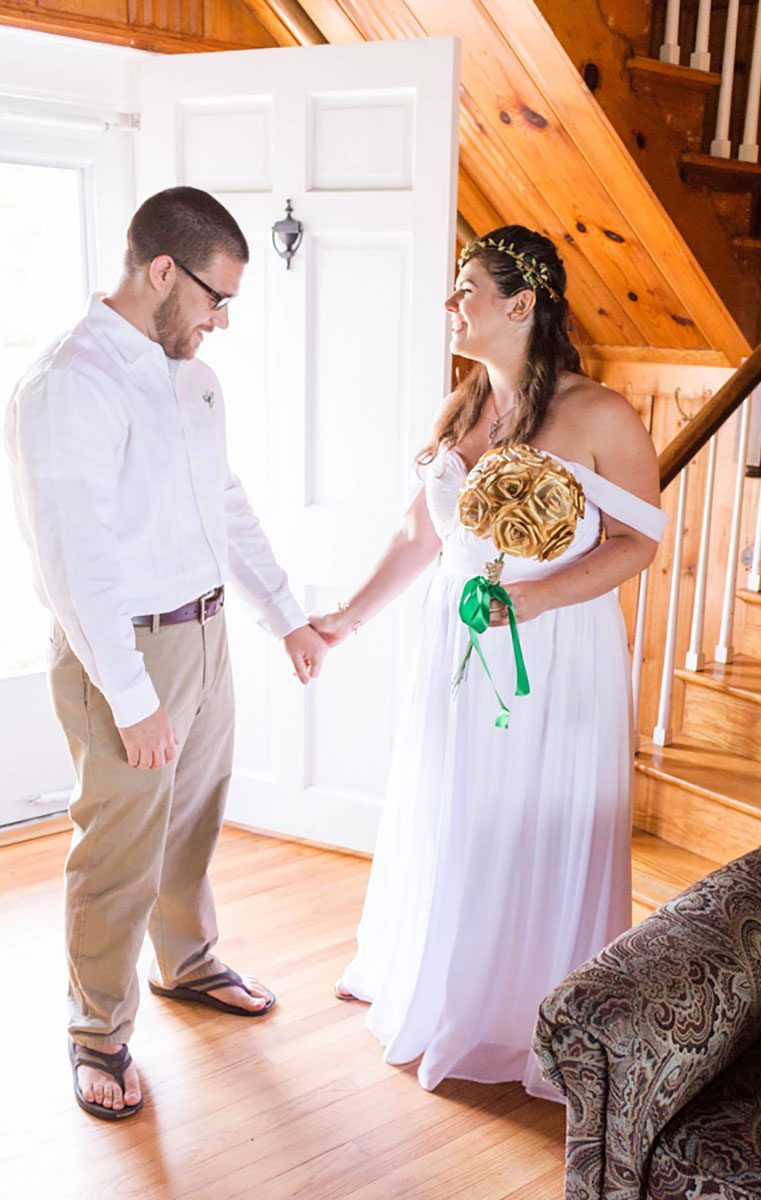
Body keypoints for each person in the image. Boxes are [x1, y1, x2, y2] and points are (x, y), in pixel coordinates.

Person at [310, 226, 668, 1099]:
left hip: (550, 648)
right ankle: (438, 977)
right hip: (455, 638)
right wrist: (347, 619)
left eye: (466, 287)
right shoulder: (464, 406)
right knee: (454, 803)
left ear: (521, 303)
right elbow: (421, 531)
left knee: (525, 815)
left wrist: (536, 600)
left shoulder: (599, 414)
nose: (450, 302)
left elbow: (639, 542)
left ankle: (521, 1011)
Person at [4, 187, 326, 1120]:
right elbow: (74, 560)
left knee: (190, 824)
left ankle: (185, 963)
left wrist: (285, 615)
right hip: (126, 651)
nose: (220, 321)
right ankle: (97, 1031)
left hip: (207, 631)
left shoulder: (190, 375)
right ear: (160, 271)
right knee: (120, 846)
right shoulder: (70, 383)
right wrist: (133, 695)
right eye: (215, 298)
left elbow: (223, 501)